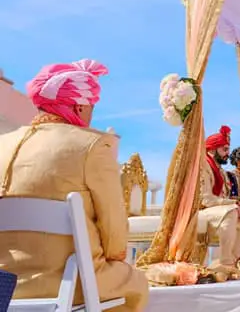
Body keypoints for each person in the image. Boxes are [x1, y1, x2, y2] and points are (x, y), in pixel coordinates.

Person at [0, 59, 148, 311]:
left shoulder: (3, 144)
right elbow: (114, 237)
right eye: (91, 107)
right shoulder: (93, 145)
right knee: (137, 282)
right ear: (79, 107)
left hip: (5, 287)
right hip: (69, 284)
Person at [198, 126, 240, 268]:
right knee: (231, 212)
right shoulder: (203, 167)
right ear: (213, 150)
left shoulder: (220, 170)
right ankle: (225, 262)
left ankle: (229, 261)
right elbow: (206, 199)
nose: (227, 153)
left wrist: (234, 205)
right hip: (202, 210)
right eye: (224, 149)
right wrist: (234, 204)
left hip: (218, 210)